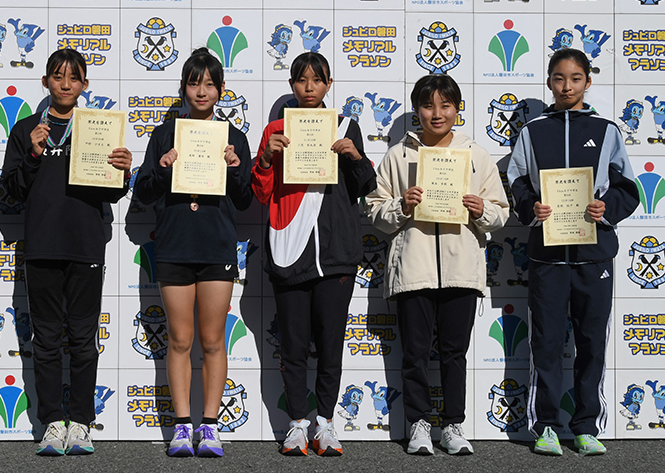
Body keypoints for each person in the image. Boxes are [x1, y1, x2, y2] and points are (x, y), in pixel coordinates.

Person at [366, 74, 508, 456]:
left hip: (461, 270)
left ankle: (453, 425)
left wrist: (482, 209)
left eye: (446, 105)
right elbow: (375, 211)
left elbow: (501, 213)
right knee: (414, 353)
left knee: (454, 353)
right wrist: (401, 205)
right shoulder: (398, 155)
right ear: (418, 110)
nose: (437, 113)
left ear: (457, 109)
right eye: (428, 105)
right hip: (413, 269)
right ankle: (419, 423)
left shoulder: (476, 154)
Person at [0, 48, 132, 456]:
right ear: (45, 82)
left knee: (83, 339)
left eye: (74, 78)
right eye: (57, 76)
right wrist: (33, 155)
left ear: (85, 84)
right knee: (45, 340)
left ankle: (82, 422)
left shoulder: (98, 128)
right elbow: (10, 192)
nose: (65, 84)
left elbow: (113, 191)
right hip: (42, 247)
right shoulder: (26, 129)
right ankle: (53, 422)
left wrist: (123, 171)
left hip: (85, 244)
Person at [507, 48, 639, 456]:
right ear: (549, 82)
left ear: (588, 81)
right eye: (559, 78)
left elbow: (627, 187)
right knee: (545, 342)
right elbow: (516, 181)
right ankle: (546, 426)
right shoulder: (533, 131)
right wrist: (532, 208)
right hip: (547, 256)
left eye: (576, 78)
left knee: (592, 343)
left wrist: (606, 209)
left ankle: (585, 426)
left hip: (594, 255)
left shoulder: (606, 130)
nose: (567, 87)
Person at [250, 52, 376, 456]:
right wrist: (266, 158)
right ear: (292, 85)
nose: (309, 87)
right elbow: (260, 193)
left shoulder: (346, 127)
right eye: (301, 80)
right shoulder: (275, 129)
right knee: (292, 345)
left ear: (328, 84)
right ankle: (297, 424)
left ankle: (325, 423)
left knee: (330, 344)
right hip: (289, 248)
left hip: (336, 253)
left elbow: (365, 186)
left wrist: (355, 156)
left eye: (317, 80)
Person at [134, 47, 253, 457]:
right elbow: (143, 191)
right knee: (180, 339)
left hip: (216, 247)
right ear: (183, 88)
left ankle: (211, 426)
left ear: (221, 89)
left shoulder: (234, 137)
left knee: (213, 340)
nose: (201, 91)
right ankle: (183, 426)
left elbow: (244, 200)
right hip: (174, 245)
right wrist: (163, 167)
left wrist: (234, 167)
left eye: (209, 84)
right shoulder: (164, 134)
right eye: (193, 83)